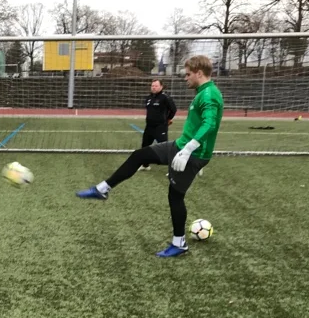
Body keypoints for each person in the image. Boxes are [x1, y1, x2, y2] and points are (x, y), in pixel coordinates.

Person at [75, 55, 223, 258]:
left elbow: (210, 124)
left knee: (175, 196)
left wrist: (190, 151)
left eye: (188, 74)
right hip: (180, 146)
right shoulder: (203, 92)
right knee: (140, 155)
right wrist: (186, 147)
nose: (185, 78)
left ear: (199, 73)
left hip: (191, 153)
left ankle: (179, 244)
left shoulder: (209, 95)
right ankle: (102, 189)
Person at [139, 78, 177, 170]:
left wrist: (168, 119)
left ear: (161, 87)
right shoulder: (149, 98)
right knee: (145, 146)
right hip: (149, 127)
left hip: (160, 127)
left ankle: (172, 168)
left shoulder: (165, 97)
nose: (154, 87)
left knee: (164, 148)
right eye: (152, 86)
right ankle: (145, 165)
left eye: (156, 86)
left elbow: (173, 109)